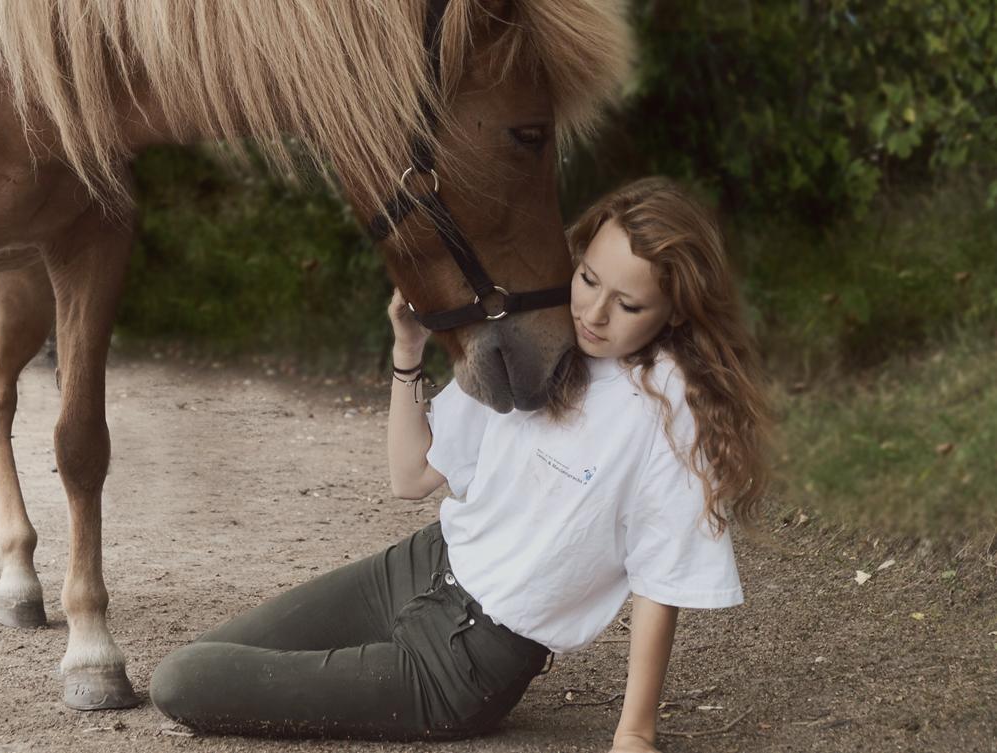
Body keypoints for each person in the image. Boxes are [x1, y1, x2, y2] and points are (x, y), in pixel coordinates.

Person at [150, 177, 771, 751]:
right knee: (210, 655)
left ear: (678, 310)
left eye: (628, 305)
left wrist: (634, 732)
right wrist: (408, 350)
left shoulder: (672, 409)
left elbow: (660, 576)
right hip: (419, 565)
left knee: (181, 682)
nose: (594, 313)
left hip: (465, 661)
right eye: (588, 279)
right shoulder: (541, 336)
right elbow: (410, 476)